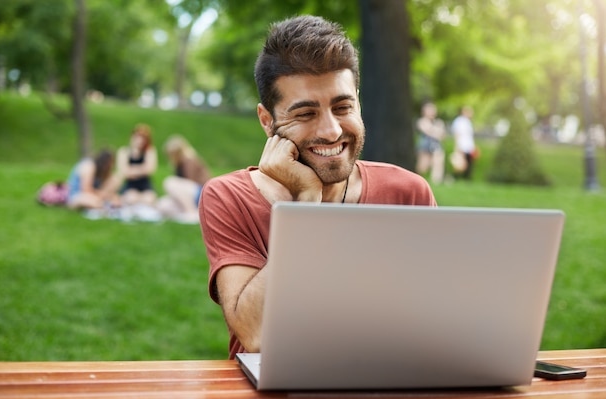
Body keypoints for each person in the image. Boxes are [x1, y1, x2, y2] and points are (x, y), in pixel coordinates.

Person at [198, 15, 437, 359]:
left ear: (358, 101)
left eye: (342, 107)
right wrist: (305, 205)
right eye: (306, 114)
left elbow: (434, 320)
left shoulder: (408, 193)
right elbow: (255, 332)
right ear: (268, 122)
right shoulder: (229, 196)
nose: (331, 131)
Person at [157, 135, 211, 224]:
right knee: (162, 204)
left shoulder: (190, 161)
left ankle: (191, 212)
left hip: (201, 193)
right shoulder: (179, 164)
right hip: (191, 194)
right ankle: (183, 216)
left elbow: (188, 184)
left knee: (169, 182)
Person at [116, 123, 158, 206]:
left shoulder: (149, 151)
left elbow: (149, 170)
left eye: (143, 138)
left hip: (145, 185)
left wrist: (131, 170)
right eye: (138, 137)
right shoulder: (124, 152)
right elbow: (123, 172)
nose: (140, 140)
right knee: (131, 199)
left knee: (148, 200)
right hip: (130, 185)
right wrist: (142, 169)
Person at [415, 101, 446, 184]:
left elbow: (443, 135)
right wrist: (436, 131)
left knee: (438, 164)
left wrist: (434, 131)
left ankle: (436, 182)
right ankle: (418, 182)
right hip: (424, 147)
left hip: (436, 146)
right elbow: (427, 131)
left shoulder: (439, 122)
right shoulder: (421, 121)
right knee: (422, 167)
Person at [451, 106, 476, 180]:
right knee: (460, 163)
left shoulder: (468, 122)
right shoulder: (459, 121)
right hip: (462, 145)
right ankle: (455, 177)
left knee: (469, 163)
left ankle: (466, 178)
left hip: (469, 146)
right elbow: (457, 134)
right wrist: (457, 146)